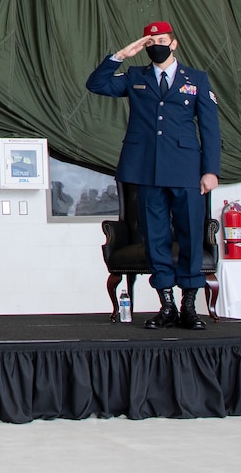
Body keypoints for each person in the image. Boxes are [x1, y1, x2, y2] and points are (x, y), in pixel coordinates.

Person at [86, 21, 221, 330]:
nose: (155, 45)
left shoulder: (196, 79)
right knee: (156, 238)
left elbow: (211, 129)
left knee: (190, 236)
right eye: (150, 42)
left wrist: (210, 170)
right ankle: (167, 305)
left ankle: (189, 306)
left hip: (187, 170)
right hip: (146, 170)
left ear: (173, 43)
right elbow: (96, 85)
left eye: (161, 40)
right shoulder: (136, 77)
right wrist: (121, 55)